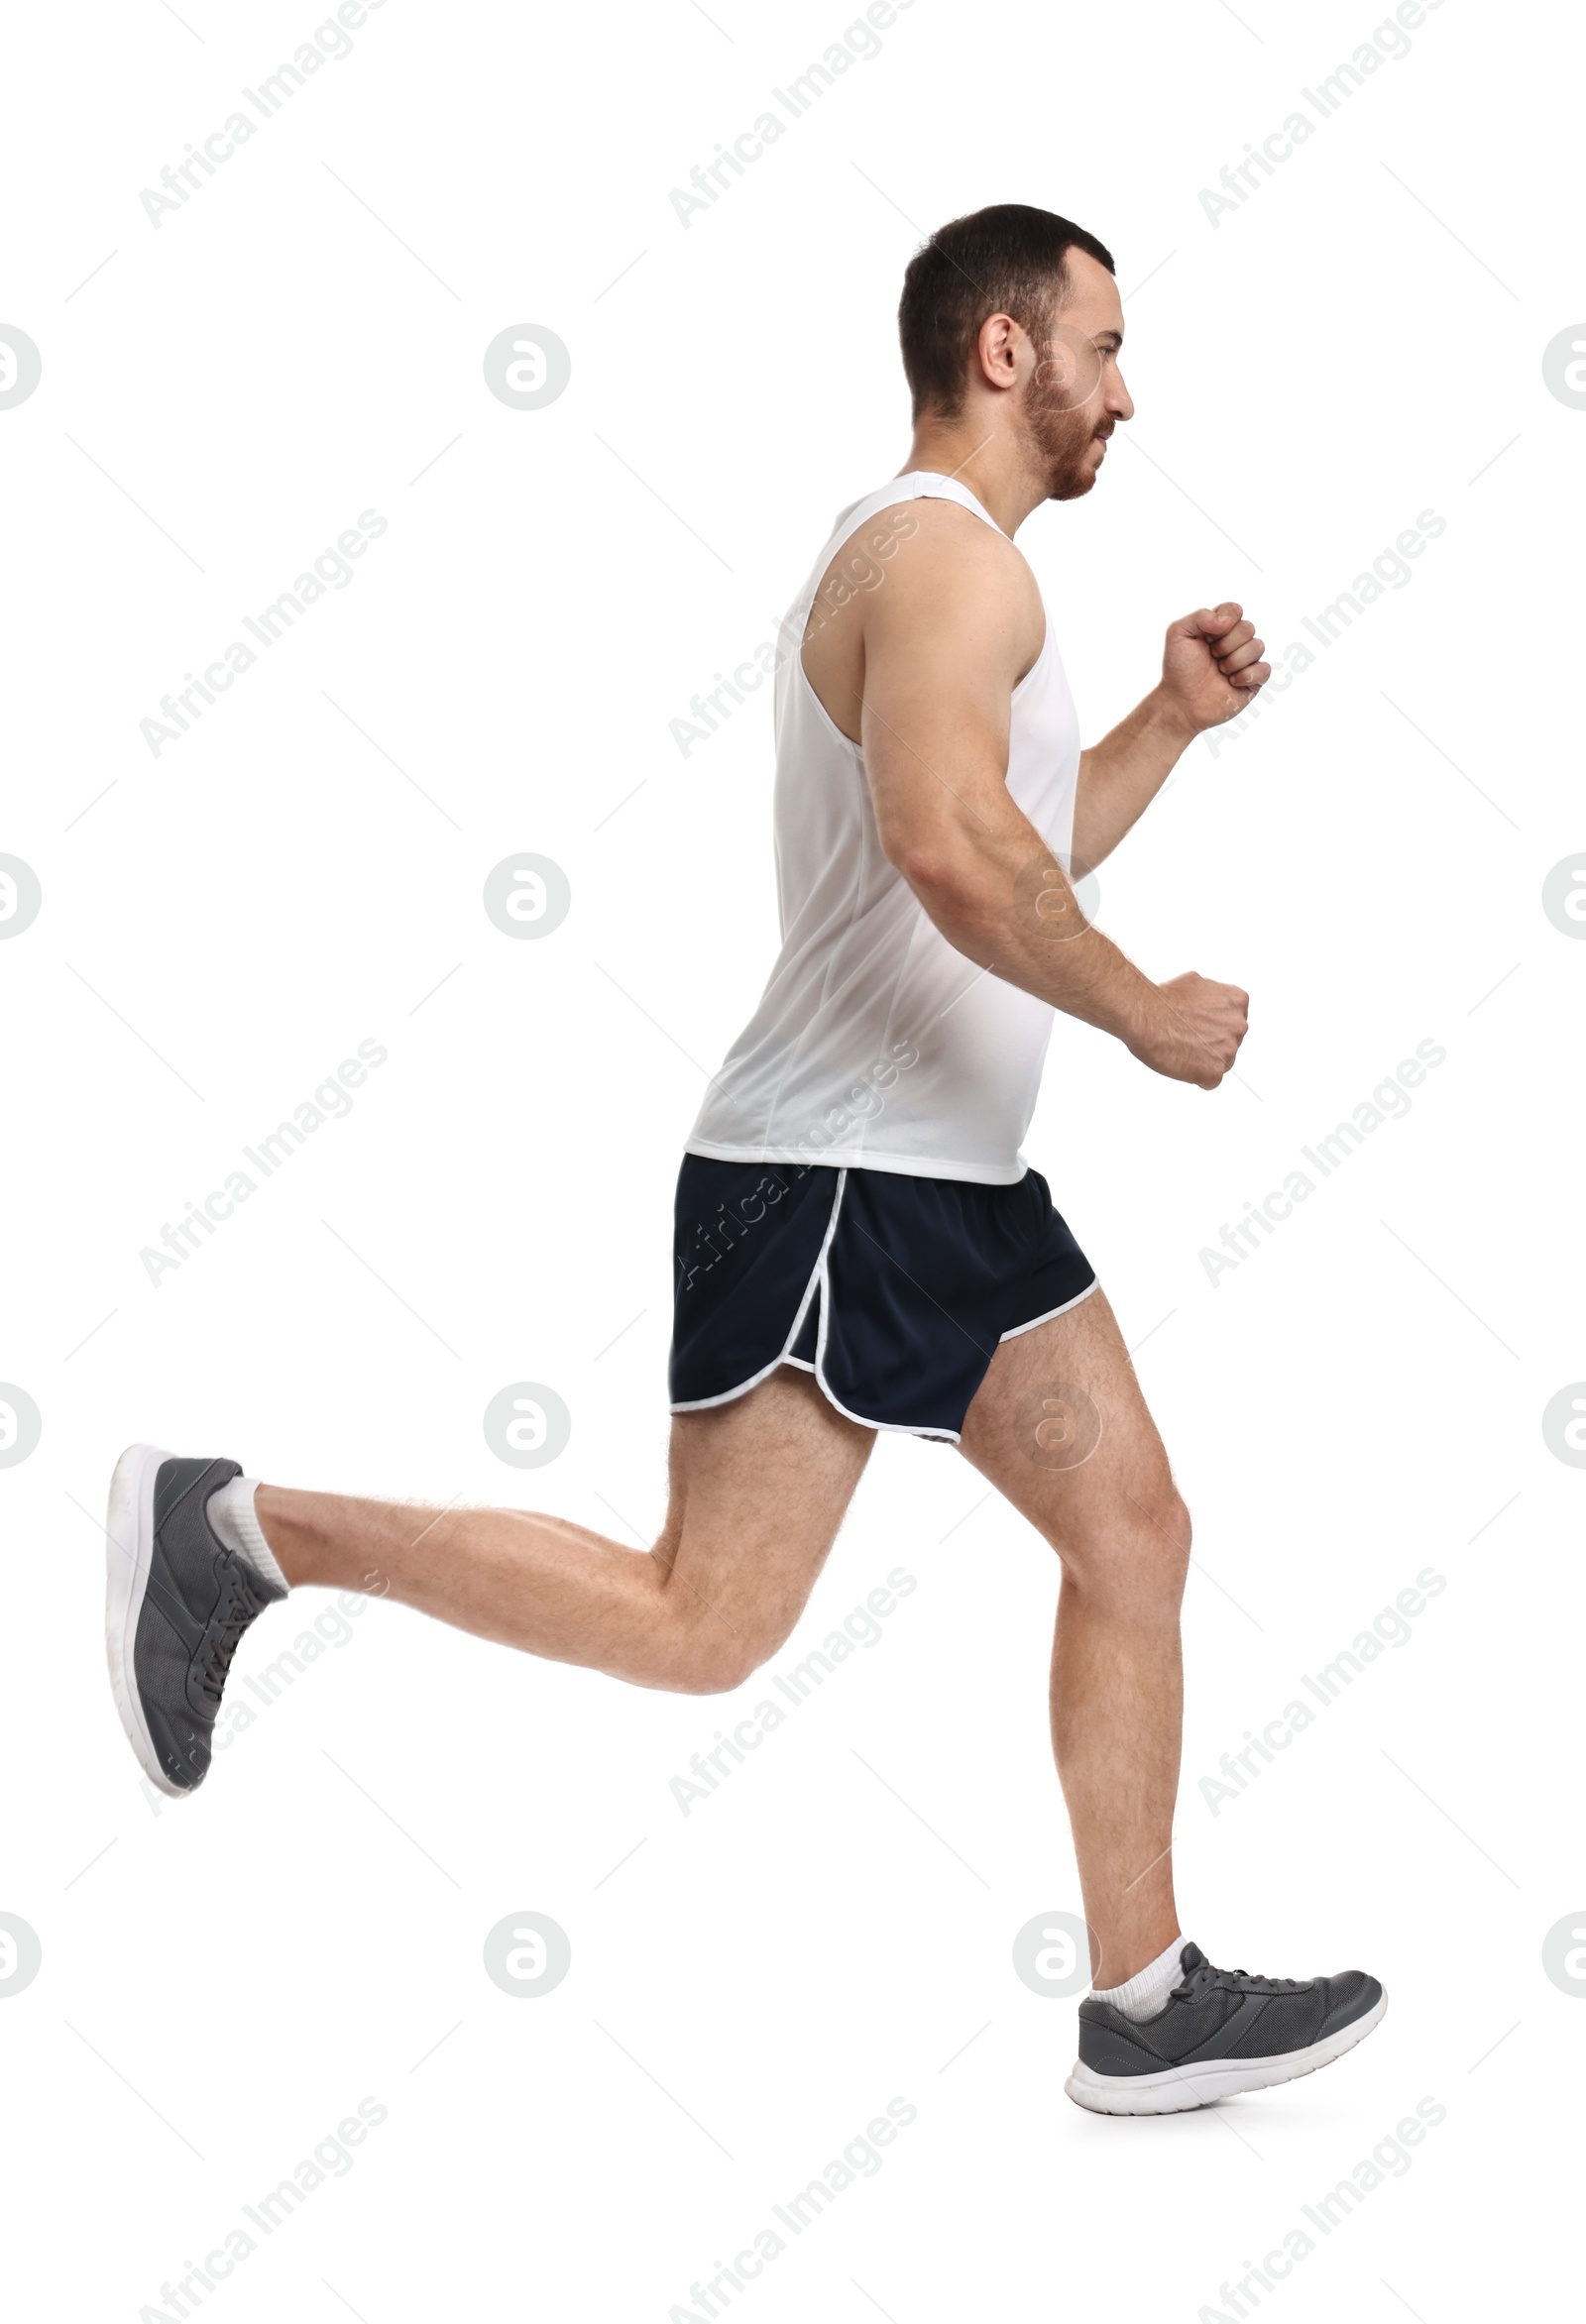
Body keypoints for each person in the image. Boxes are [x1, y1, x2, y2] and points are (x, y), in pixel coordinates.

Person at [104, 203, 1383, 2114]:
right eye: (1104, 347)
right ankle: (229, 1532)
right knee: (704, 1626)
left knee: (1133, 1534)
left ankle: (1144, 2002)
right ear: (1005, 352)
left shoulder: (958, 580)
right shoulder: (946, 568)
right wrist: (1135, 1012)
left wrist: (1167, 726)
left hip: (945, 1193)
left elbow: (1021, 829)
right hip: (839, 1185)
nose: (1130, 388)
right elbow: (957, 852)